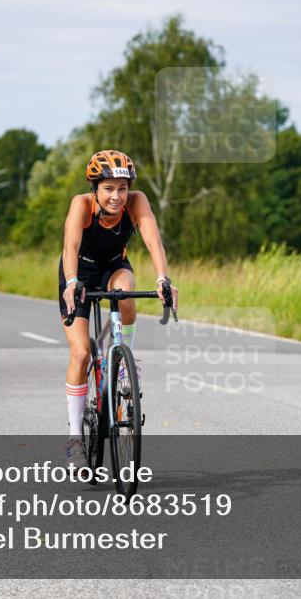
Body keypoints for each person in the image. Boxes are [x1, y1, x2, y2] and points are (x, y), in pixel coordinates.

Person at [59, 150, 179, 467]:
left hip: (114, 266)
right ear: (95, 188)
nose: (116, 196)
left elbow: (154, 242)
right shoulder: (81, 205)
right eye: (109, 188)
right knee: (81, 352)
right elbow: (70, 246)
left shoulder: (137, 202)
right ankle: (75, 439)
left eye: (122, 189)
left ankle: (125, 363)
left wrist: (163, 279)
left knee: (126, 291)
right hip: (79, 272)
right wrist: (71, 282)